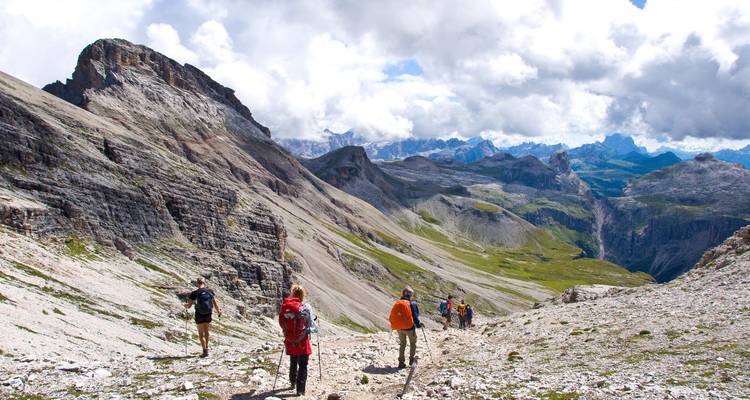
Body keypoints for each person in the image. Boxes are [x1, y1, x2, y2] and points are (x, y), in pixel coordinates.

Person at [279, 284, 317, 396]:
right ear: (302, 295)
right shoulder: (305, 307)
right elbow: (310, 324)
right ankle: (300, 390)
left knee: (293, 361)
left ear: (292, 294)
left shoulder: (286, 307)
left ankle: (292, 382)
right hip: (302, 341)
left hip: (290, 340)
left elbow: (281, 323)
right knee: (303, 365)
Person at [184, 277, 222, 358]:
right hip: (208, 313)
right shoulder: (210, 291)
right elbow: (214, 302)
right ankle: (207, 347)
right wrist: (218, 311)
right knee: (207, 331)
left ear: (197, 283)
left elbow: (189, 306)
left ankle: (205, 351)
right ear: (204, 283)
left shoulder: (194, 293)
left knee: (201, 333)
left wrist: (185, 306)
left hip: (199, 314)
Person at [389, 286, 422, 368]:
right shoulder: (412, 303)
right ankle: (411, 360)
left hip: (399, 327)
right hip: (409, 327)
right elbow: (415, 316)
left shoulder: (398, 302)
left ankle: (401, 362)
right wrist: (418, 325)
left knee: (402, 344)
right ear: (410, 294)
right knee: (413, 343)